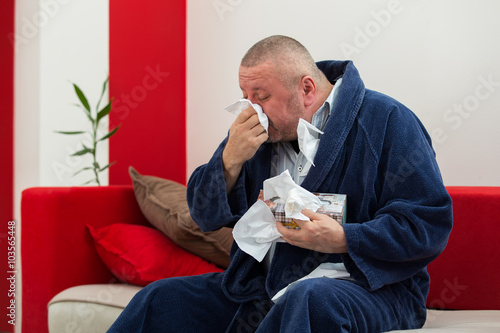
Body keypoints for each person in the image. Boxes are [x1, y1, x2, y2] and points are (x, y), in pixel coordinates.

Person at [108, 35, 452, 332]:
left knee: (311, 300)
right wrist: (229, 160)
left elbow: (427, 224)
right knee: (160, 299)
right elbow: (203, 216)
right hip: (264, 287)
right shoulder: (257, 133)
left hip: (373, 290)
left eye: (260, 96)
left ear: (306, 88)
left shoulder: (389, 122)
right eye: (244, 94)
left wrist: (346, 239)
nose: (250, 109)